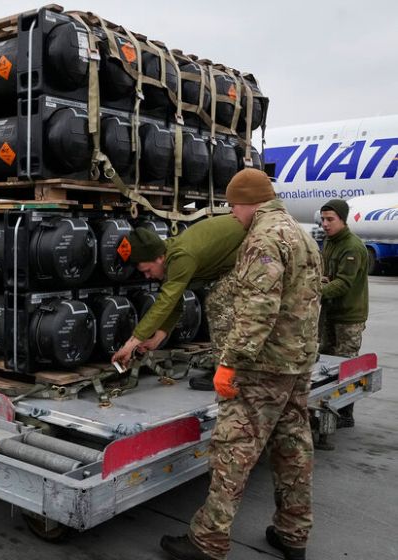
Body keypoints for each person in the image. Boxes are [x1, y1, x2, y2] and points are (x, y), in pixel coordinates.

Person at [160, 168, 322, 560]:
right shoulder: (301, 234)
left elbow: (257, 308)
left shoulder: (264, 237)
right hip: (297, 362)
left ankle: (208, 540)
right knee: (293, 448)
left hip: (262, 367)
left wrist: (230, 361)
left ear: (249, 201)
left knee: (233, 451)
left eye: (233, 205)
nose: (233, 214)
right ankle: (293, 533)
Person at [111, 214, 247, 391]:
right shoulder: (169, 257)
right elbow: (175, 304)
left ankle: (230, 373)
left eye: (147, 270)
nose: (147, 276)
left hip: (255, 249)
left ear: (158, 258)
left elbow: (166, 302)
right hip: (240, 256)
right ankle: (228, 367)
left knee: (218, 303)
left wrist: (131, 344)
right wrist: (156, 340)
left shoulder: (181, 257)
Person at [315, 198, 368, 449]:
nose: (325, 224)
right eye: (323, 219)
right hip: (330, 314)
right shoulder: (330, 243)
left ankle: (345, 414)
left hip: (348, 317)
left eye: (330, 220)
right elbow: (328, 276)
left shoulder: (352, 247)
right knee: (326, 364)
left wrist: (314, 291)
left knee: (346, 366)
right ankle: (328, 409)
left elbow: (344, 284)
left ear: (343, 220)